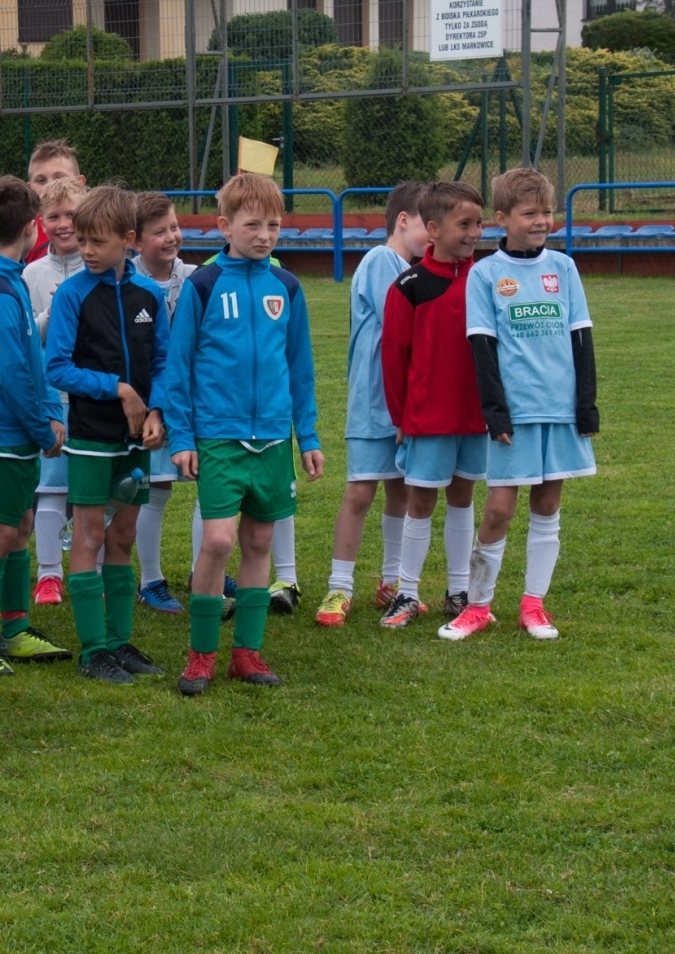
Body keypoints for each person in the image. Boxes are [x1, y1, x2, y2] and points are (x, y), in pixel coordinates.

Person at [161, 173, 322, 696]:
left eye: (274, 225)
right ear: (224, 225)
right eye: (253, 225)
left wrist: (310, 436)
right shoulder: (203, 285)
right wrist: (182, 437)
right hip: (218, 437)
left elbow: (300, 368)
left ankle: (247, 654)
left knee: (258, 540)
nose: (265, 235)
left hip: (273, 439)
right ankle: (201, 654)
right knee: (218, 540)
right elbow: (178, 366)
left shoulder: (287, 286)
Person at [458, 167, 599, 642]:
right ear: (502, 218)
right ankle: (477, 606)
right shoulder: (486, 274)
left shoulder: (564, 268)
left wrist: (586, 405)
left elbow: (582, 338)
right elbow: (481, 345)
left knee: (548, 503)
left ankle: (533, 606)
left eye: (547, 212)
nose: (541, 221)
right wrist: (495, 411)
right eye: (530, 213)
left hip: (559, 410)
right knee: (499, 508)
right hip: (513, 414)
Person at [44, 185, 170, 684]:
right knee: (91, 535)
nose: (86, 251)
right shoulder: (72, 295)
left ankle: (120, 642)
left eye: (97, 242)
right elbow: (57, 368)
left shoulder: (151, 296)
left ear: (129, 240)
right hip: (91, 438)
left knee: (123, 535)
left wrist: (156, 408)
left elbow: (163, 360)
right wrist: (118, 389)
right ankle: (93, 649)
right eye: (82, 240)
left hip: (136, 441)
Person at [0, 176, 70, 676]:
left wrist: (51, 412)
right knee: (2, 532)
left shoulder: (7, 277)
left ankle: (16, 627)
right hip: (1, 433)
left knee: (21, 524)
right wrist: (44, 428)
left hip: (15, 431)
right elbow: (12, 374)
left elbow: (32, 361)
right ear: (32, 228)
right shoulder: (1, 291)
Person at [315, 182, 430, 628]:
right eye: (426, 226)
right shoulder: (383, 261)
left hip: (404, 404)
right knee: (361, 491)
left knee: (400, 490)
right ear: (403, 221)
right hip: (373, 402)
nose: (432, 237)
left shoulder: (408, 266)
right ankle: (339, 586)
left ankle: (392, 582)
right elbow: (405, 323)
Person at [376, 182, 489, 629]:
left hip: (475, 416)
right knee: (420, 502)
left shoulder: (486, 278)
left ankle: (459, 591)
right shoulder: (409, 286)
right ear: (434, 228)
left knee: (463, 497)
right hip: (427, 418)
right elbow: (394, 356)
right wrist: (401, 417)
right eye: (465, 224)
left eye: (479, 223)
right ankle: (405, 593)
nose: (475, 232)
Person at [130, 192, 194, 615]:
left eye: (173, 227)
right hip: (143, 400)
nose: (171, 237)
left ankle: (202, 570)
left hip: (188, 397)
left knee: (206, 482)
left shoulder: (194, 278)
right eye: (160, 232)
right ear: (135, 240)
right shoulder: (127, 281)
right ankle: (149, 579)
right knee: (151, 486)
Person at [23, 176, 86, 605]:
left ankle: (92, 565)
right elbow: (27, 337)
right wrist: (53, 311)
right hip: (54, 400)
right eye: (55, 217)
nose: (65, 225)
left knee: (94, 492)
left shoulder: (106, 265)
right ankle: (48, 574)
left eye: (72, 216)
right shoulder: (32, 273)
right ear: (41, 222)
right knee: (51, 489)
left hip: (95, 400)